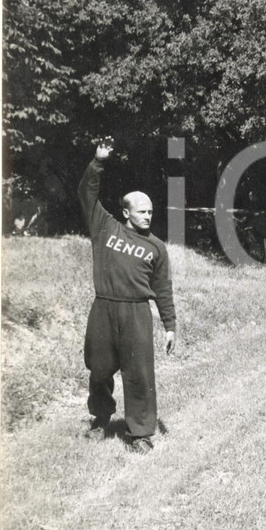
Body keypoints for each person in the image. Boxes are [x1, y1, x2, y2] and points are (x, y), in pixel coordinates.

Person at [78, 137, 176, 453]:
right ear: (126, 211)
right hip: (104, 307)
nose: (148, 216)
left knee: (139, 374)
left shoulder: (156, 247)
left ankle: (140, 433)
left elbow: (163, 288)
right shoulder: (104, 227)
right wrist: (98, 162)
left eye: (151, 212)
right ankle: (100, 420)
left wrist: (170, 325)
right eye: (142, 211)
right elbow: (86, 195)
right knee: (100, 369)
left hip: (136, 313)